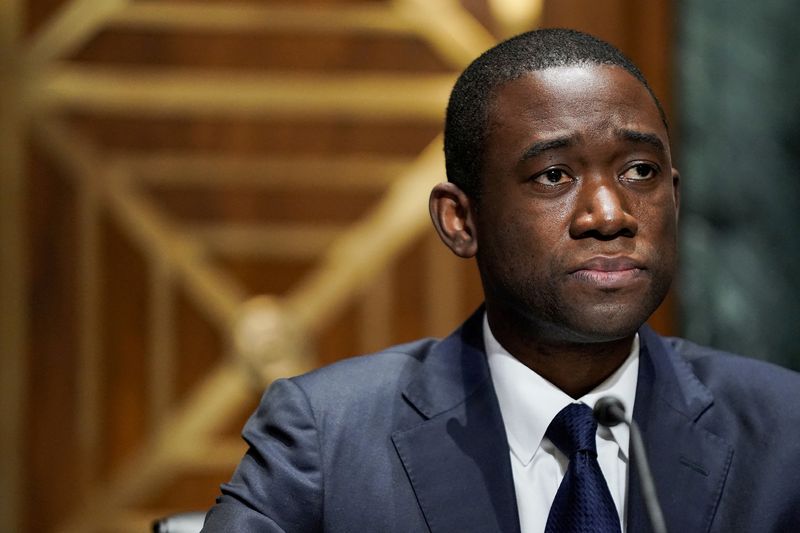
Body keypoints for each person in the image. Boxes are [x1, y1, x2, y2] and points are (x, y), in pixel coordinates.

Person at [201, 29, 800, 532]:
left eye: (639, 171)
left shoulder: (784, 433)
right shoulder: (327, 440)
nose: (610, 214)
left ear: (673, 197)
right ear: (460, 220)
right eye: (553, 176)